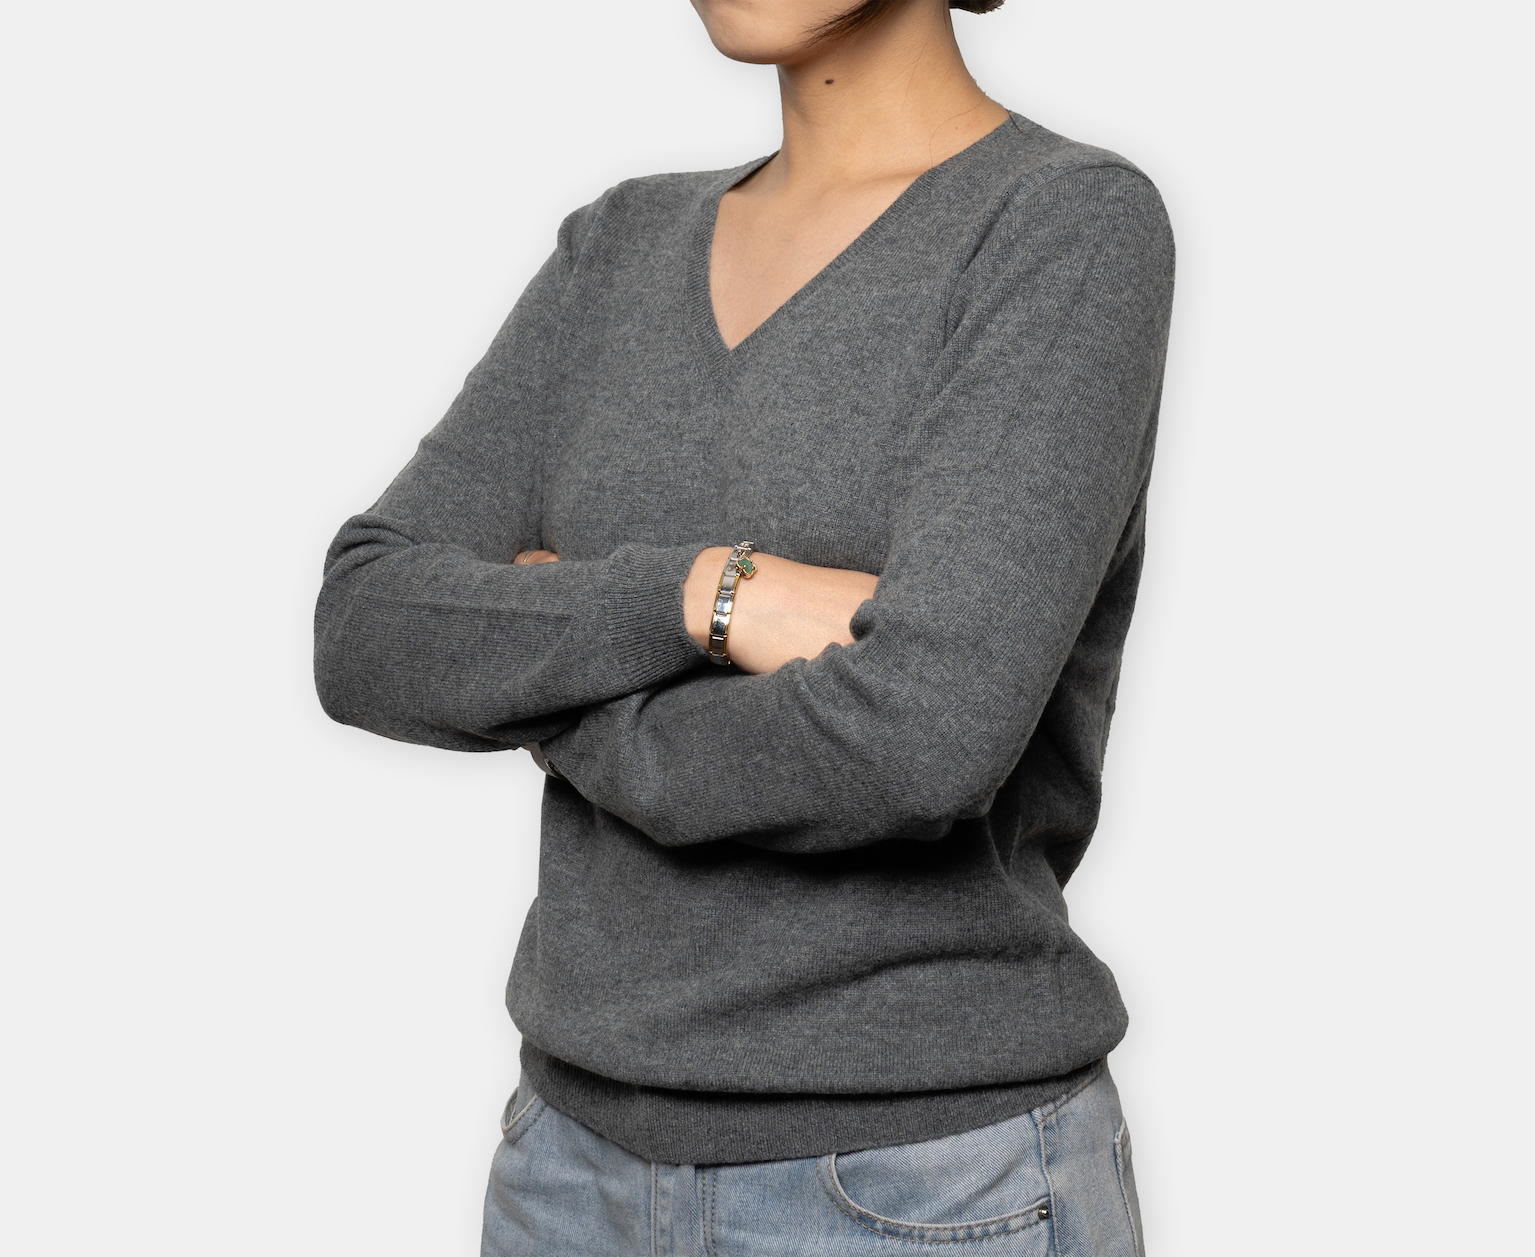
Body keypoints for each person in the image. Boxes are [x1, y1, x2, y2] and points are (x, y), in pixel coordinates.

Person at [314, 0, 1174, 1251]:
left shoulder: (1059, 224)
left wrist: (550, 694)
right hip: (565, 1172)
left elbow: (920, 742)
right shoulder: (617, 245)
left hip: (920, 1185)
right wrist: (708, 596)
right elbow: (366, 626)